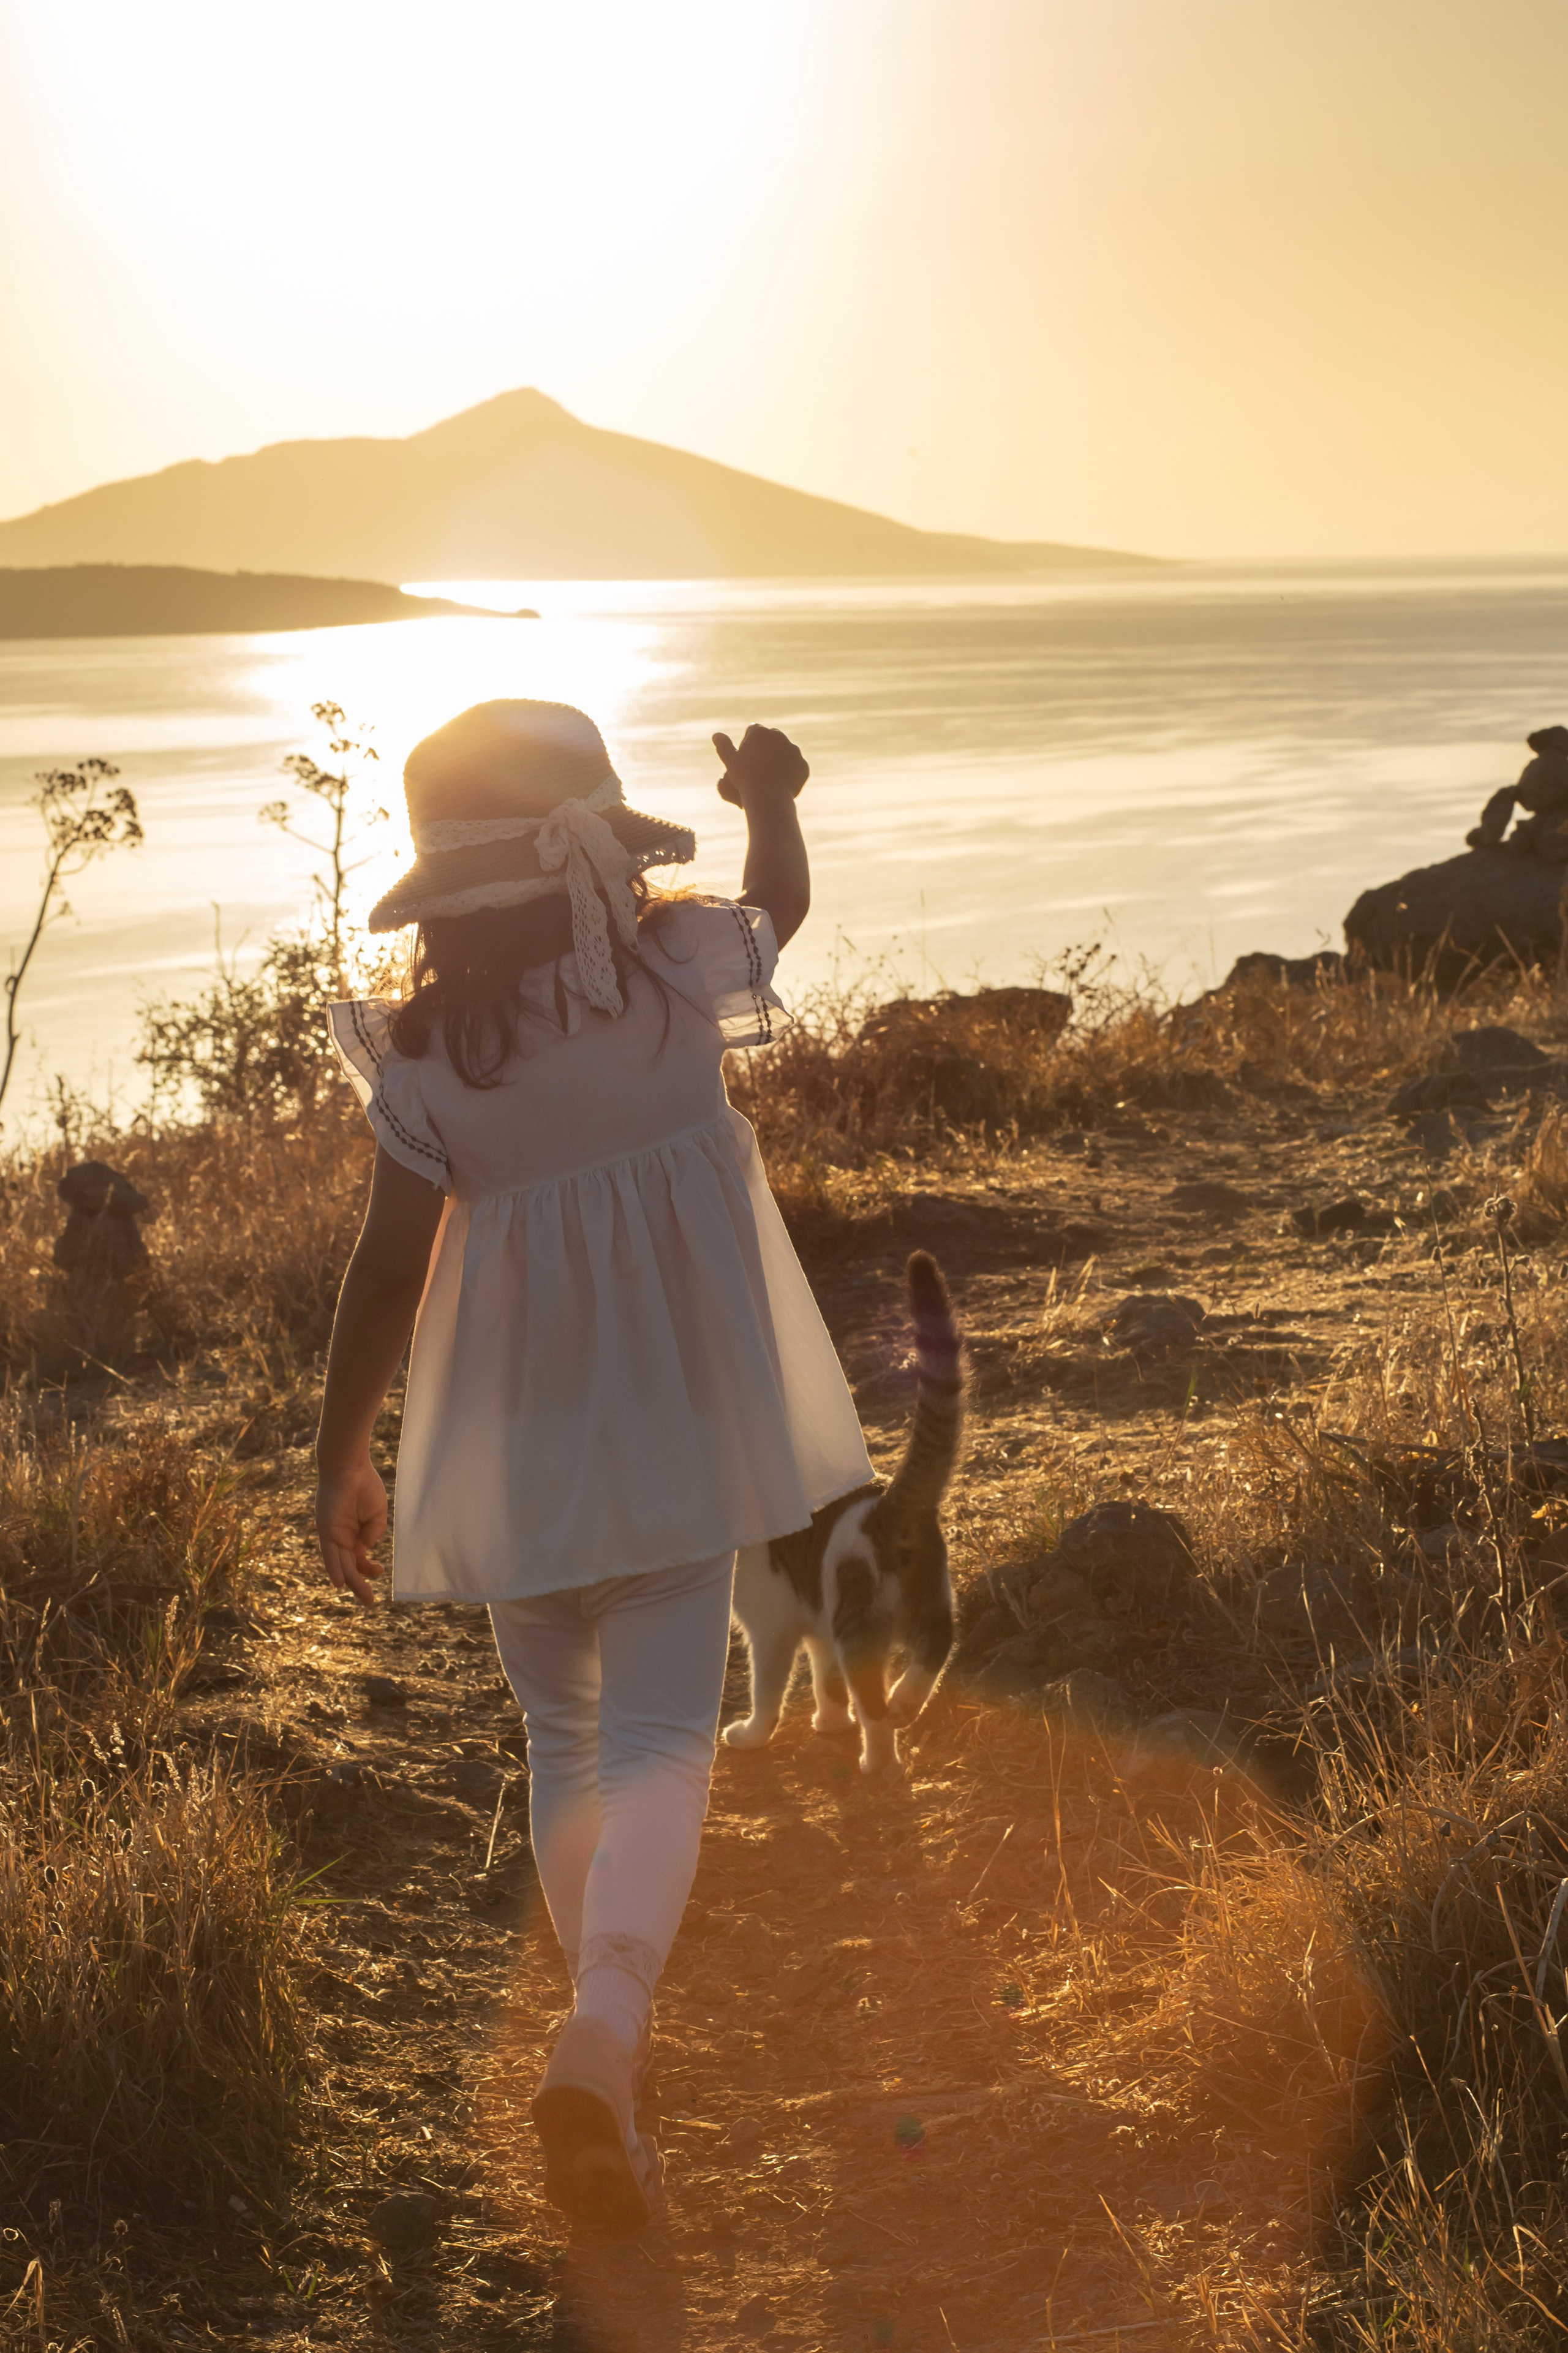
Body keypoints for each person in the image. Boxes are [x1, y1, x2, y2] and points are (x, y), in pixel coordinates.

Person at [312, 698, 872, 2232]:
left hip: (510, 1449)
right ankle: (603, 2040)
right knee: (658, 1751)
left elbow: (378, 1278)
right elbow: (787, 904)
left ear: (448, 899)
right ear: (603, 854)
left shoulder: (429, 1062)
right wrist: (766, 799)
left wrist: (343, 1451)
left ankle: (608, 2078)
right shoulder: (678, 977)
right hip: (681, 1439)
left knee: (564, 1740)